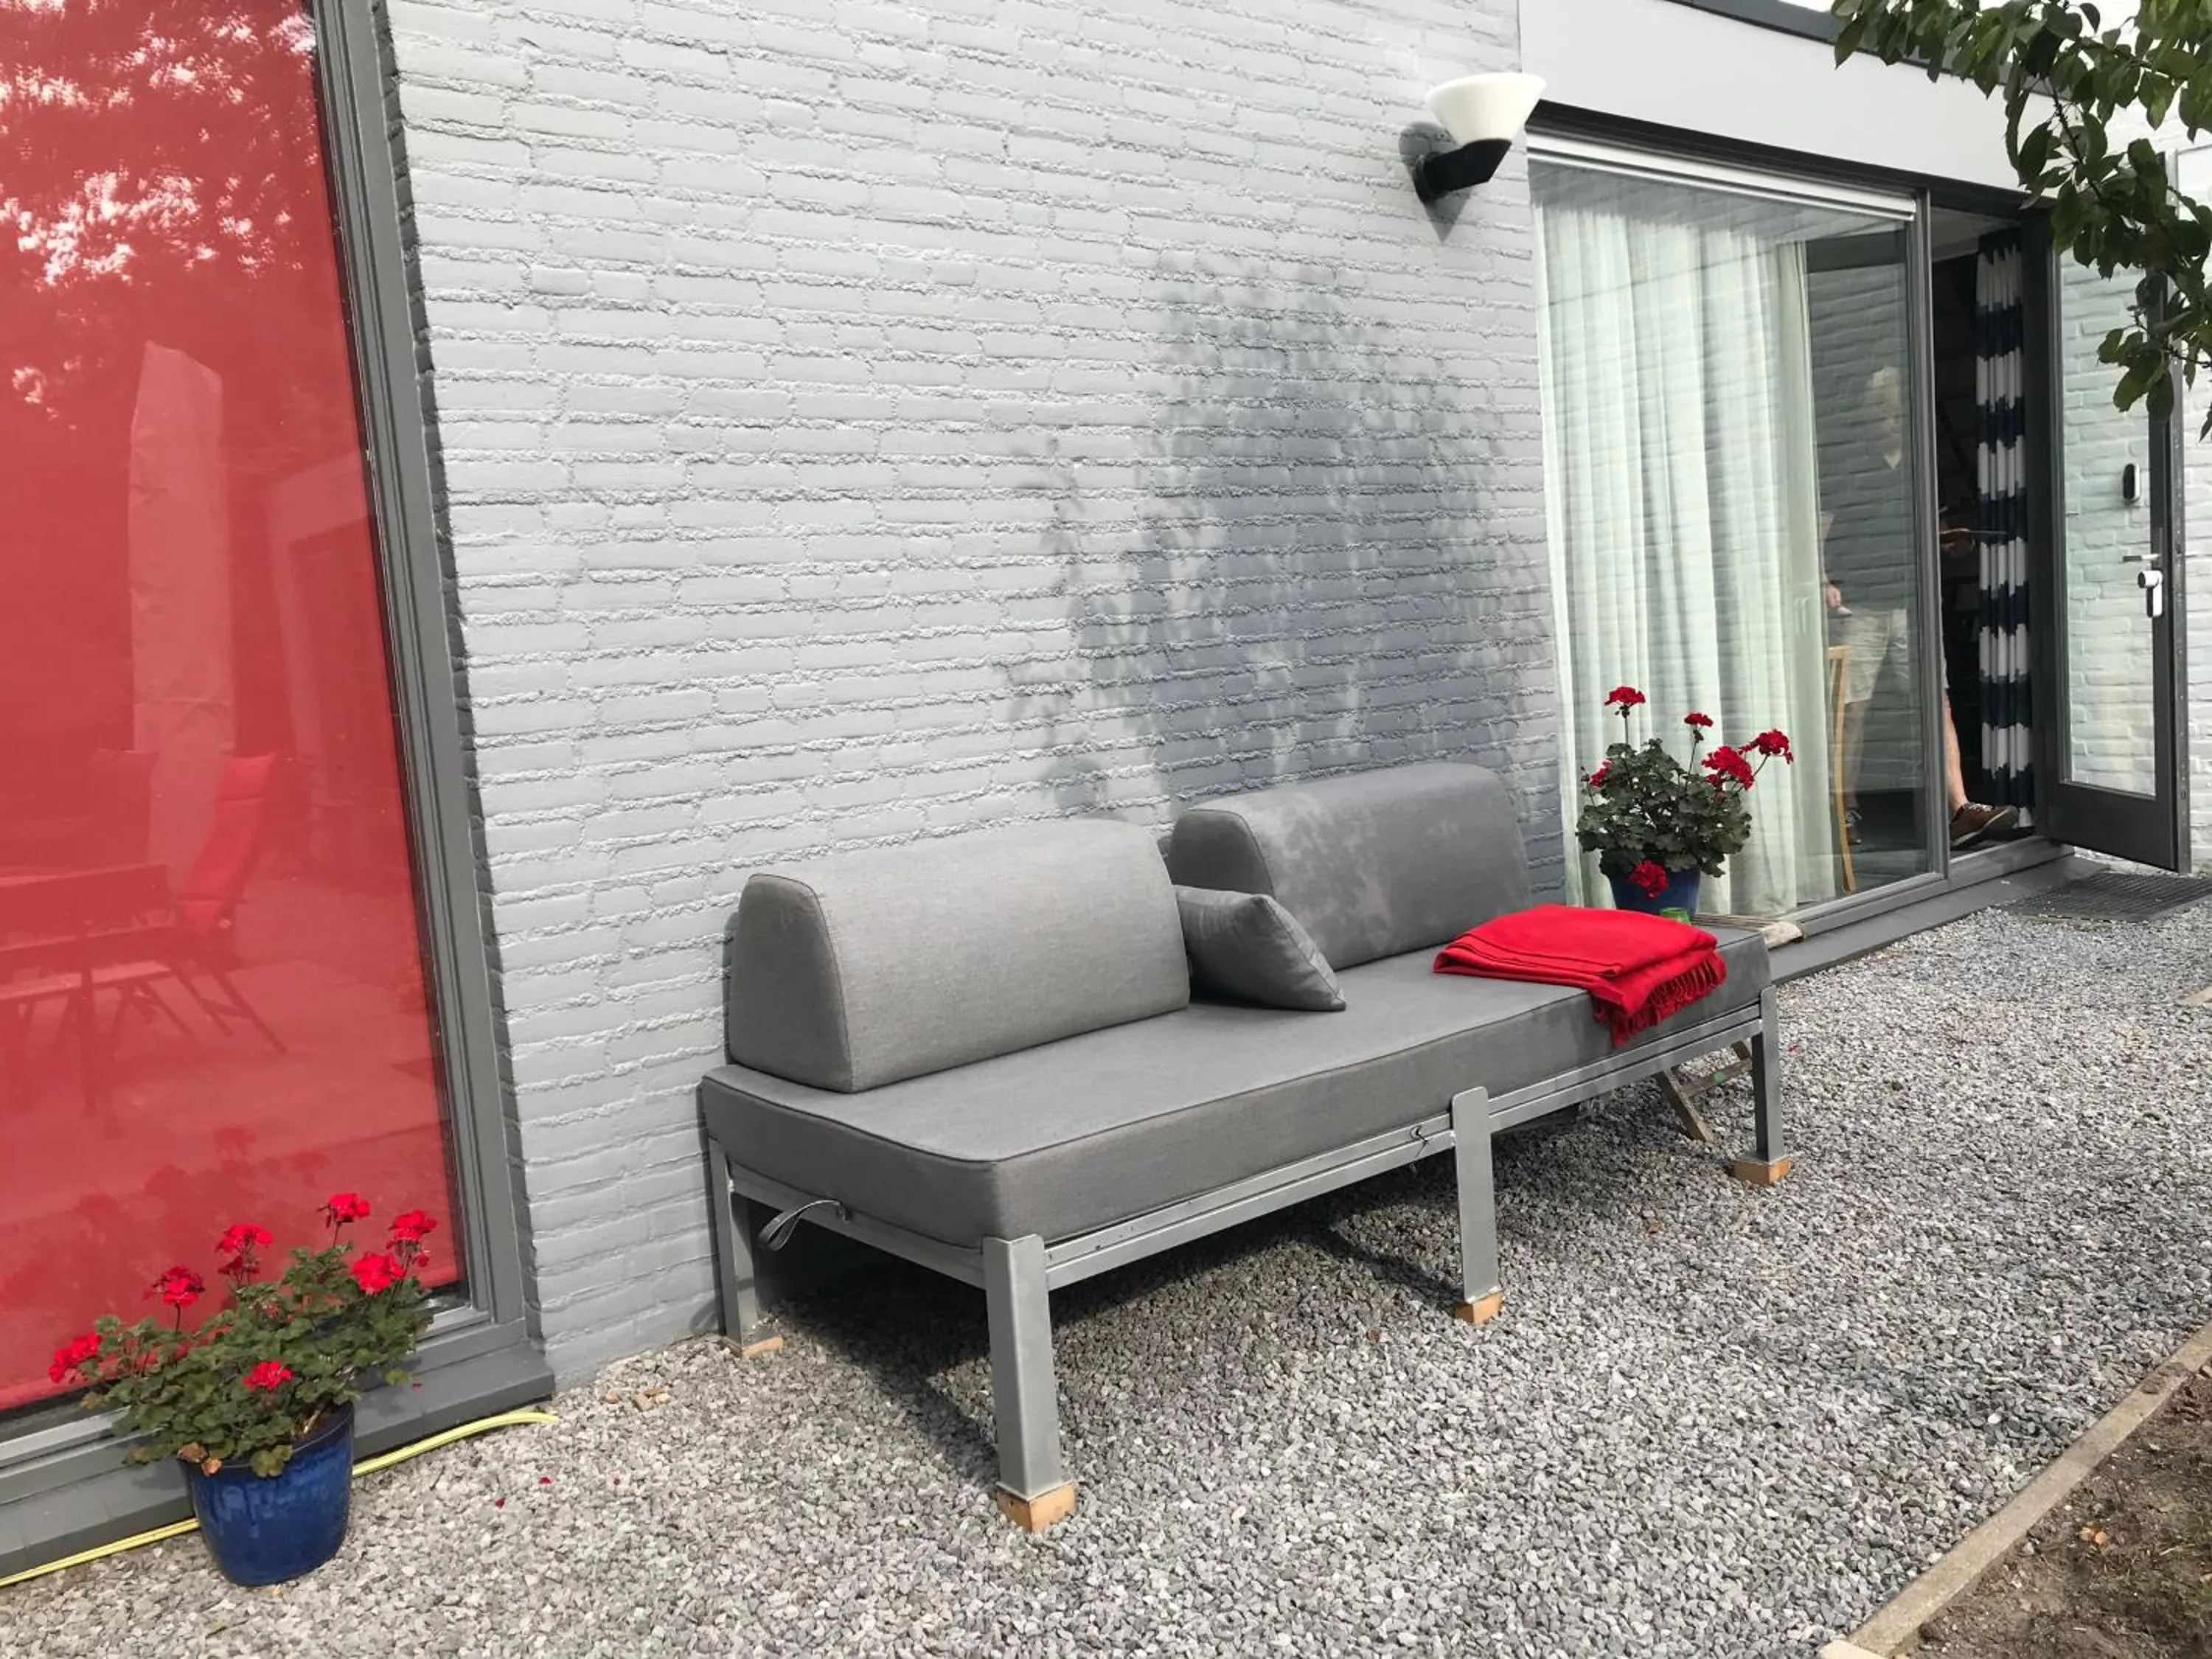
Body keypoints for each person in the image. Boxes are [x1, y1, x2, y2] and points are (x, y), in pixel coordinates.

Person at [1821, 366, 2018, 852]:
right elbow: (1820, 530)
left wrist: (1953, 544)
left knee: (1937, 702)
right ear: (1868, 415)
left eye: (1896, 410)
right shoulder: (1848, 466)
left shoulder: (1922, 462)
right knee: (1853, 712)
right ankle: (1842, 812)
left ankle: (1960, 809)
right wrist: (1825, 580)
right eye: (1881, 410)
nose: (1890, 419)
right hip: (1862, 606)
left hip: (1912, 605)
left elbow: (1937, 531)